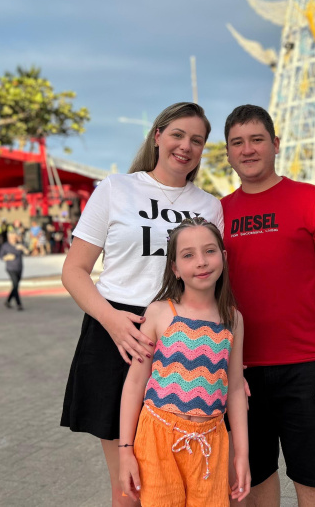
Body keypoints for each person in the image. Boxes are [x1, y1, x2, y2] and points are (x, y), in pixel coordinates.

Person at [60, 102, 224, 507]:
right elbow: (74, 271)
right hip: (117, 336)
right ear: (157, 136)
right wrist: (113, 322)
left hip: (185, 344)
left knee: (181, 489)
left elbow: (215, 285)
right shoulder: (116, 188)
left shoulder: (209, 206)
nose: (186, 146)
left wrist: (229, 362)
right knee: (130, 491)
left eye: (197, 140)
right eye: (177, 135)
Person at [220, 105, 315, 506]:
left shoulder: (310, 200)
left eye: (257, 140)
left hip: (310, 368)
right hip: (239, 372)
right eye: (237, 143)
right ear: (228, 153)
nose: (248, 150)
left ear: (275, 145)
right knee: (252, 482)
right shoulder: (217, 212)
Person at [118, 218, 250, 506]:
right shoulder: (158, 313)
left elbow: (236, 389)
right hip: (156, 439)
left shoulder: (233, 319)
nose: (201, 262)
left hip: (211, 442)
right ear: (175, 268)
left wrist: (242, 455)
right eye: (188, 255)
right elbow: (135, 382)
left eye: (210, 251)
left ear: (224, 258)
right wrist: (125, 449)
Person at [0, 230, 28, 310]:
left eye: (15, 237)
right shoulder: (5, 246)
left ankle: (8, 301)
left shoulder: (20, 244)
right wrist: (7, 257)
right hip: (10, 268)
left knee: (15, 286)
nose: (14, 239)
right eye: (12, 237)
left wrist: (23, 248)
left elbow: (28, 252)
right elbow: (1, 257)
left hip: (19, 267)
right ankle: (19, 304)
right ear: (9, 238)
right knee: (15, 285)